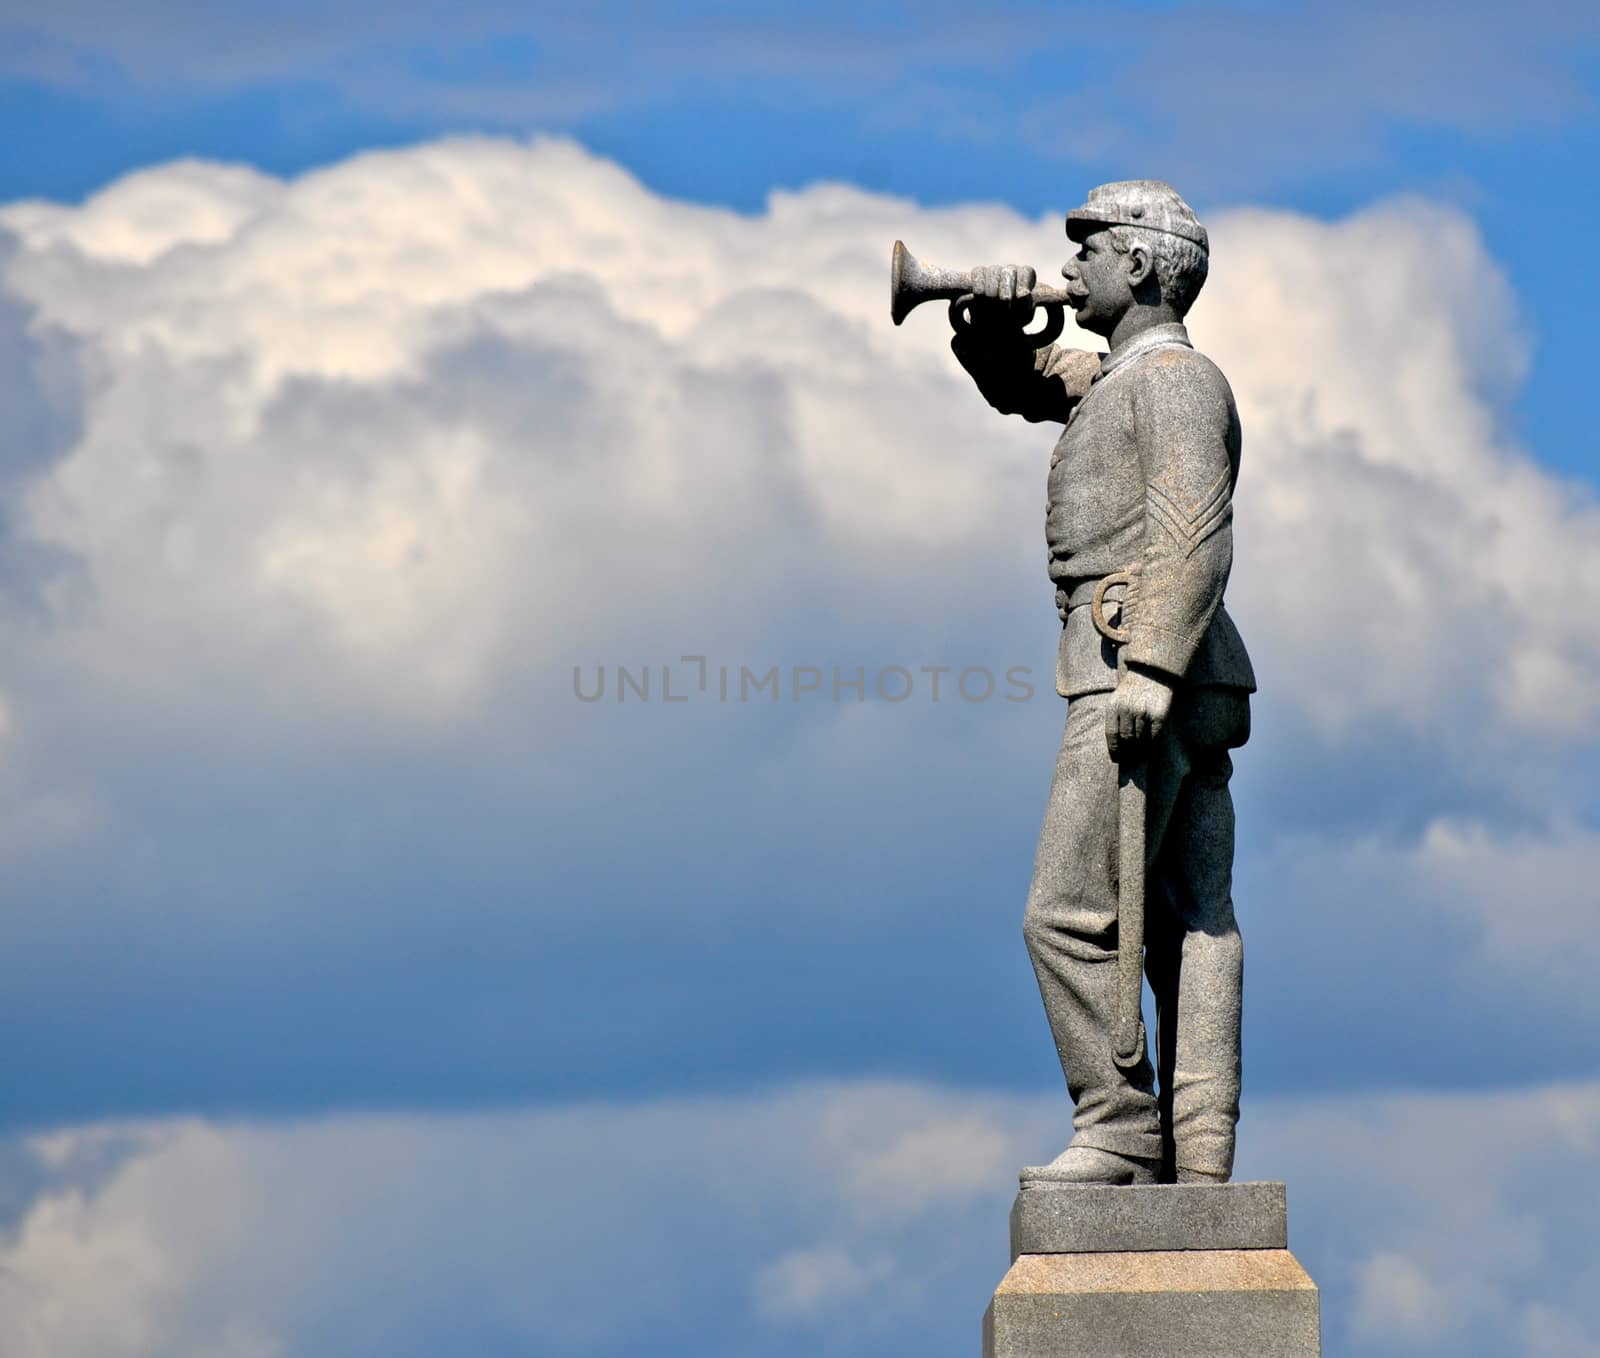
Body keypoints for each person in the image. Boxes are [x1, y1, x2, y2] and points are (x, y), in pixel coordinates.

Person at [952, 181, 1256, 1185]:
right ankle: (1191, 1151)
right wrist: (990, 329)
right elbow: (1028, 383)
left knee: (1068, 910)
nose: (1069, 264)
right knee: (1176, 918)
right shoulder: (1118, 379)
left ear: (1137, 264)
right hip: (1134, 666)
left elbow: (1192, 534)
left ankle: (1120, 1126)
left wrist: (1153, 668)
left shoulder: (1172, 382)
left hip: (1141, 670)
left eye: (1086, 249)